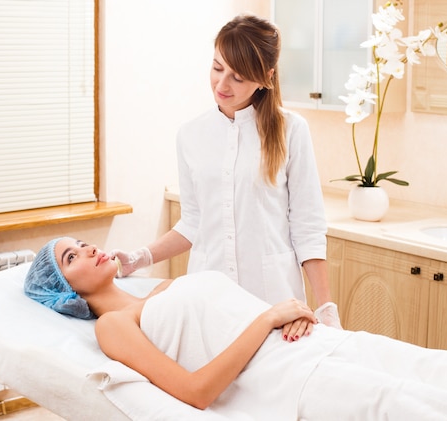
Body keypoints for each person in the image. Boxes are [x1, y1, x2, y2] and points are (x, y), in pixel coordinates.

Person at [25, 237, 447, 420]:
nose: (89, 248)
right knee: (426, 407)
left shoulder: (158, 291)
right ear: (65, 292)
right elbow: (196, 392)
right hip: (291, 383)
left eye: (82, 242)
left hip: (317, 343)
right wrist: (268, 318)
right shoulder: (114, 325)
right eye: (72, 256)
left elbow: (229, 320)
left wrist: (287, 313)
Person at [113, 14, 340, 330]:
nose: (222, 84)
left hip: (272, 296)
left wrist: (326, 306)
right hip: (207, 297)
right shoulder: (190, 135)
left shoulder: (292, 131)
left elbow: (307, 227)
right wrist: (141, 257)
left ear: (266, 77)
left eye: (238, 76)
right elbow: (194, 222)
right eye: (217, 68)